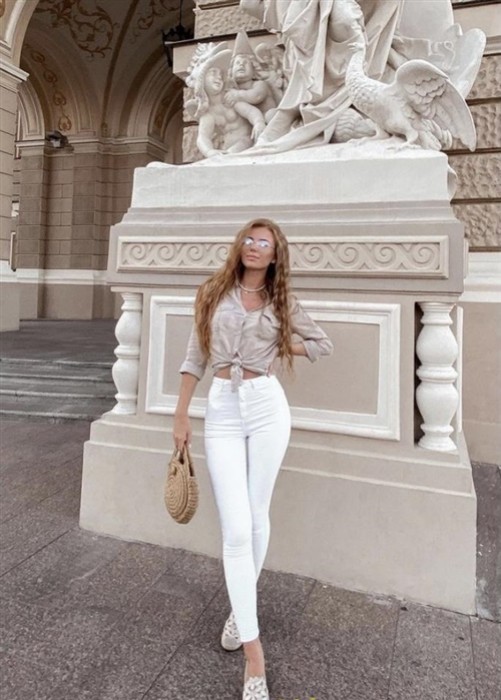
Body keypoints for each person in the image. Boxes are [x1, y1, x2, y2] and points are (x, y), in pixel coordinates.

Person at [174, 219, 333, 699]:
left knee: (258, 517)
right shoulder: (212, 292)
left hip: (266, 407)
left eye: (264, 242)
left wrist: (282, 345)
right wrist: (181, 415)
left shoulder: (282, 302)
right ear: (239, 246)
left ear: (275, 254)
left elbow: (323, 344)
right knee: (237, 530)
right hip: (222, 409)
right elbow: (195, 357)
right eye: (249, 238)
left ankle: (239, 614)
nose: (254, 246)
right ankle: (255, 653)